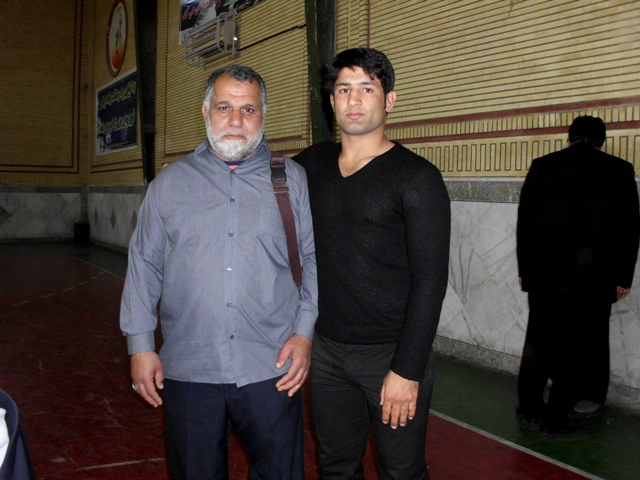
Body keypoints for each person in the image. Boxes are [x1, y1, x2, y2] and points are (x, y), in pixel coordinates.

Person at [120, 65, 318, 479]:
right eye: (224, 107)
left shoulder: (291, 180)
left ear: (263, 114)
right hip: (190, 366)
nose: (236, 121)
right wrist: (140, 346)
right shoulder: (169, 184)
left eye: (249, 109)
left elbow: (313, 260)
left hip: (271, 366)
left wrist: (303, 334)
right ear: (205, 111)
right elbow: (144, 264)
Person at [294, 48, 450, 479]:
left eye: (368, 88)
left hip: (390, 354)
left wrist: (407, 369)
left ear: (389, 100)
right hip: (327, 352)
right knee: (336, 467)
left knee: (401, 471)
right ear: (332, 100)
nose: (354, 99)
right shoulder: (311, 164)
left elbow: (431, 280)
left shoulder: (416, 178)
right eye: (344, 89)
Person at [516, 115, 639, 434]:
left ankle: (529, 407)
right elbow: (629, 230)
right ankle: (556, 416)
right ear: (602, 141)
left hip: (545, 276)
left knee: (538, 342)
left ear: (569, 138)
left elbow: (525, 223)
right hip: (593, 279)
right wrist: (623, 277)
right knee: (579, 347)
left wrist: (526, 271)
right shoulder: (620, 170)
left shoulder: (543, 165)